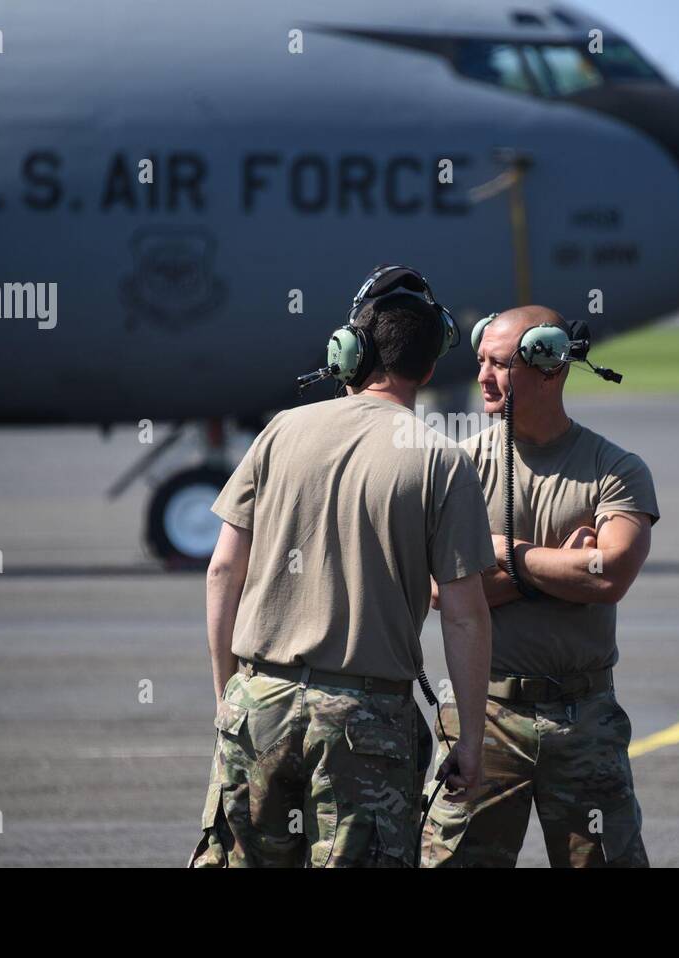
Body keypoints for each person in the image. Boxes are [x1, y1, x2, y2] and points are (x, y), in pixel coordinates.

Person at [189, 268, 494, 868]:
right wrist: (471, 742)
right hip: (366, 721)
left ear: (348, 354)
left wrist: (229, 692)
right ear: (430, 369)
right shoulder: (440, 459)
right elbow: (464, 616)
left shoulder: (279, 431)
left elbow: (224, 569)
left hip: (259, 702)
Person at [421, 305, 658, 868]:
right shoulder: (460, 467)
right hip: (483, 712)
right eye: (480, 361)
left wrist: (503, 555)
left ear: (551, 366)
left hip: (583, 714)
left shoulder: (615, 468)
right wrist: (560, 571)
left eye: (500, 365)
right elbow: (438, 589)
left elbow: (611, 574)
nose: (482, 377)